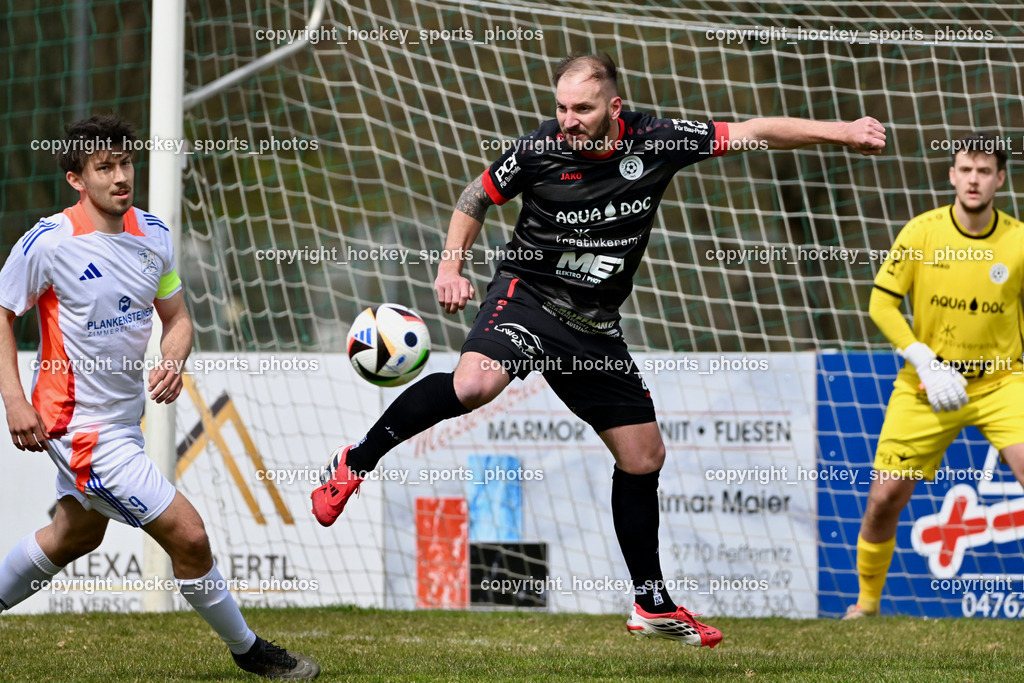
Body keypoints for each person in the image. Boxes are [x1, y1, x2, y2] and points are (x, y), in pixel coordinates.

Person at [312, 53, 885, 646]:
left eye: (582, 108)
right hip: (526, 295)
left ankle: (650, 604)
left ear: (613, 106)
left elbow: (752, 131)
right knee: (474, 385)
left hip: (592, 327)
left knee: (644, 457)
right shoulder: (537, 150)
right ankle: (353, 463)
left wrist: (841, 133)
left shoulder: (659, 139)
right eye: (560, 107)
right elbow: (473, 199)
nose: (568, 120)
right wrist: (450, 268)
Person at [0, 115, 319, 680]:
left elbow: (177, 318)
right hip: (79, 429)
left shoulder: (154, 234)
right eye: (105, 168)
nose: (121, 176)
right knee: (190, 536)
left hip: (125, 424)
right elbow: (2, 312)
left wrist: (173, 357)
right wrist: (14, 399)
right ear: (77, 178)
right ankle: (251, 653)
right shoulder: (49, 243)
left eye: (126, 163)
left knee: (72, 536)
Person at [844, 132, 1024, 619]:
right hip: (925, 382)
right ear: (951, 175)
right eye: (965, 169)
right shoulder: (921, 233)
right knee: (883, 499)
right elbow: (881, 302)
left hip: (1002, 382)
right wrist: (924, 359)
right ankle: (867, 603)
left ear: (1000, 179)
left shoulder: (1018, 240)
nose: (973, 179)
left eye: (984, 171)